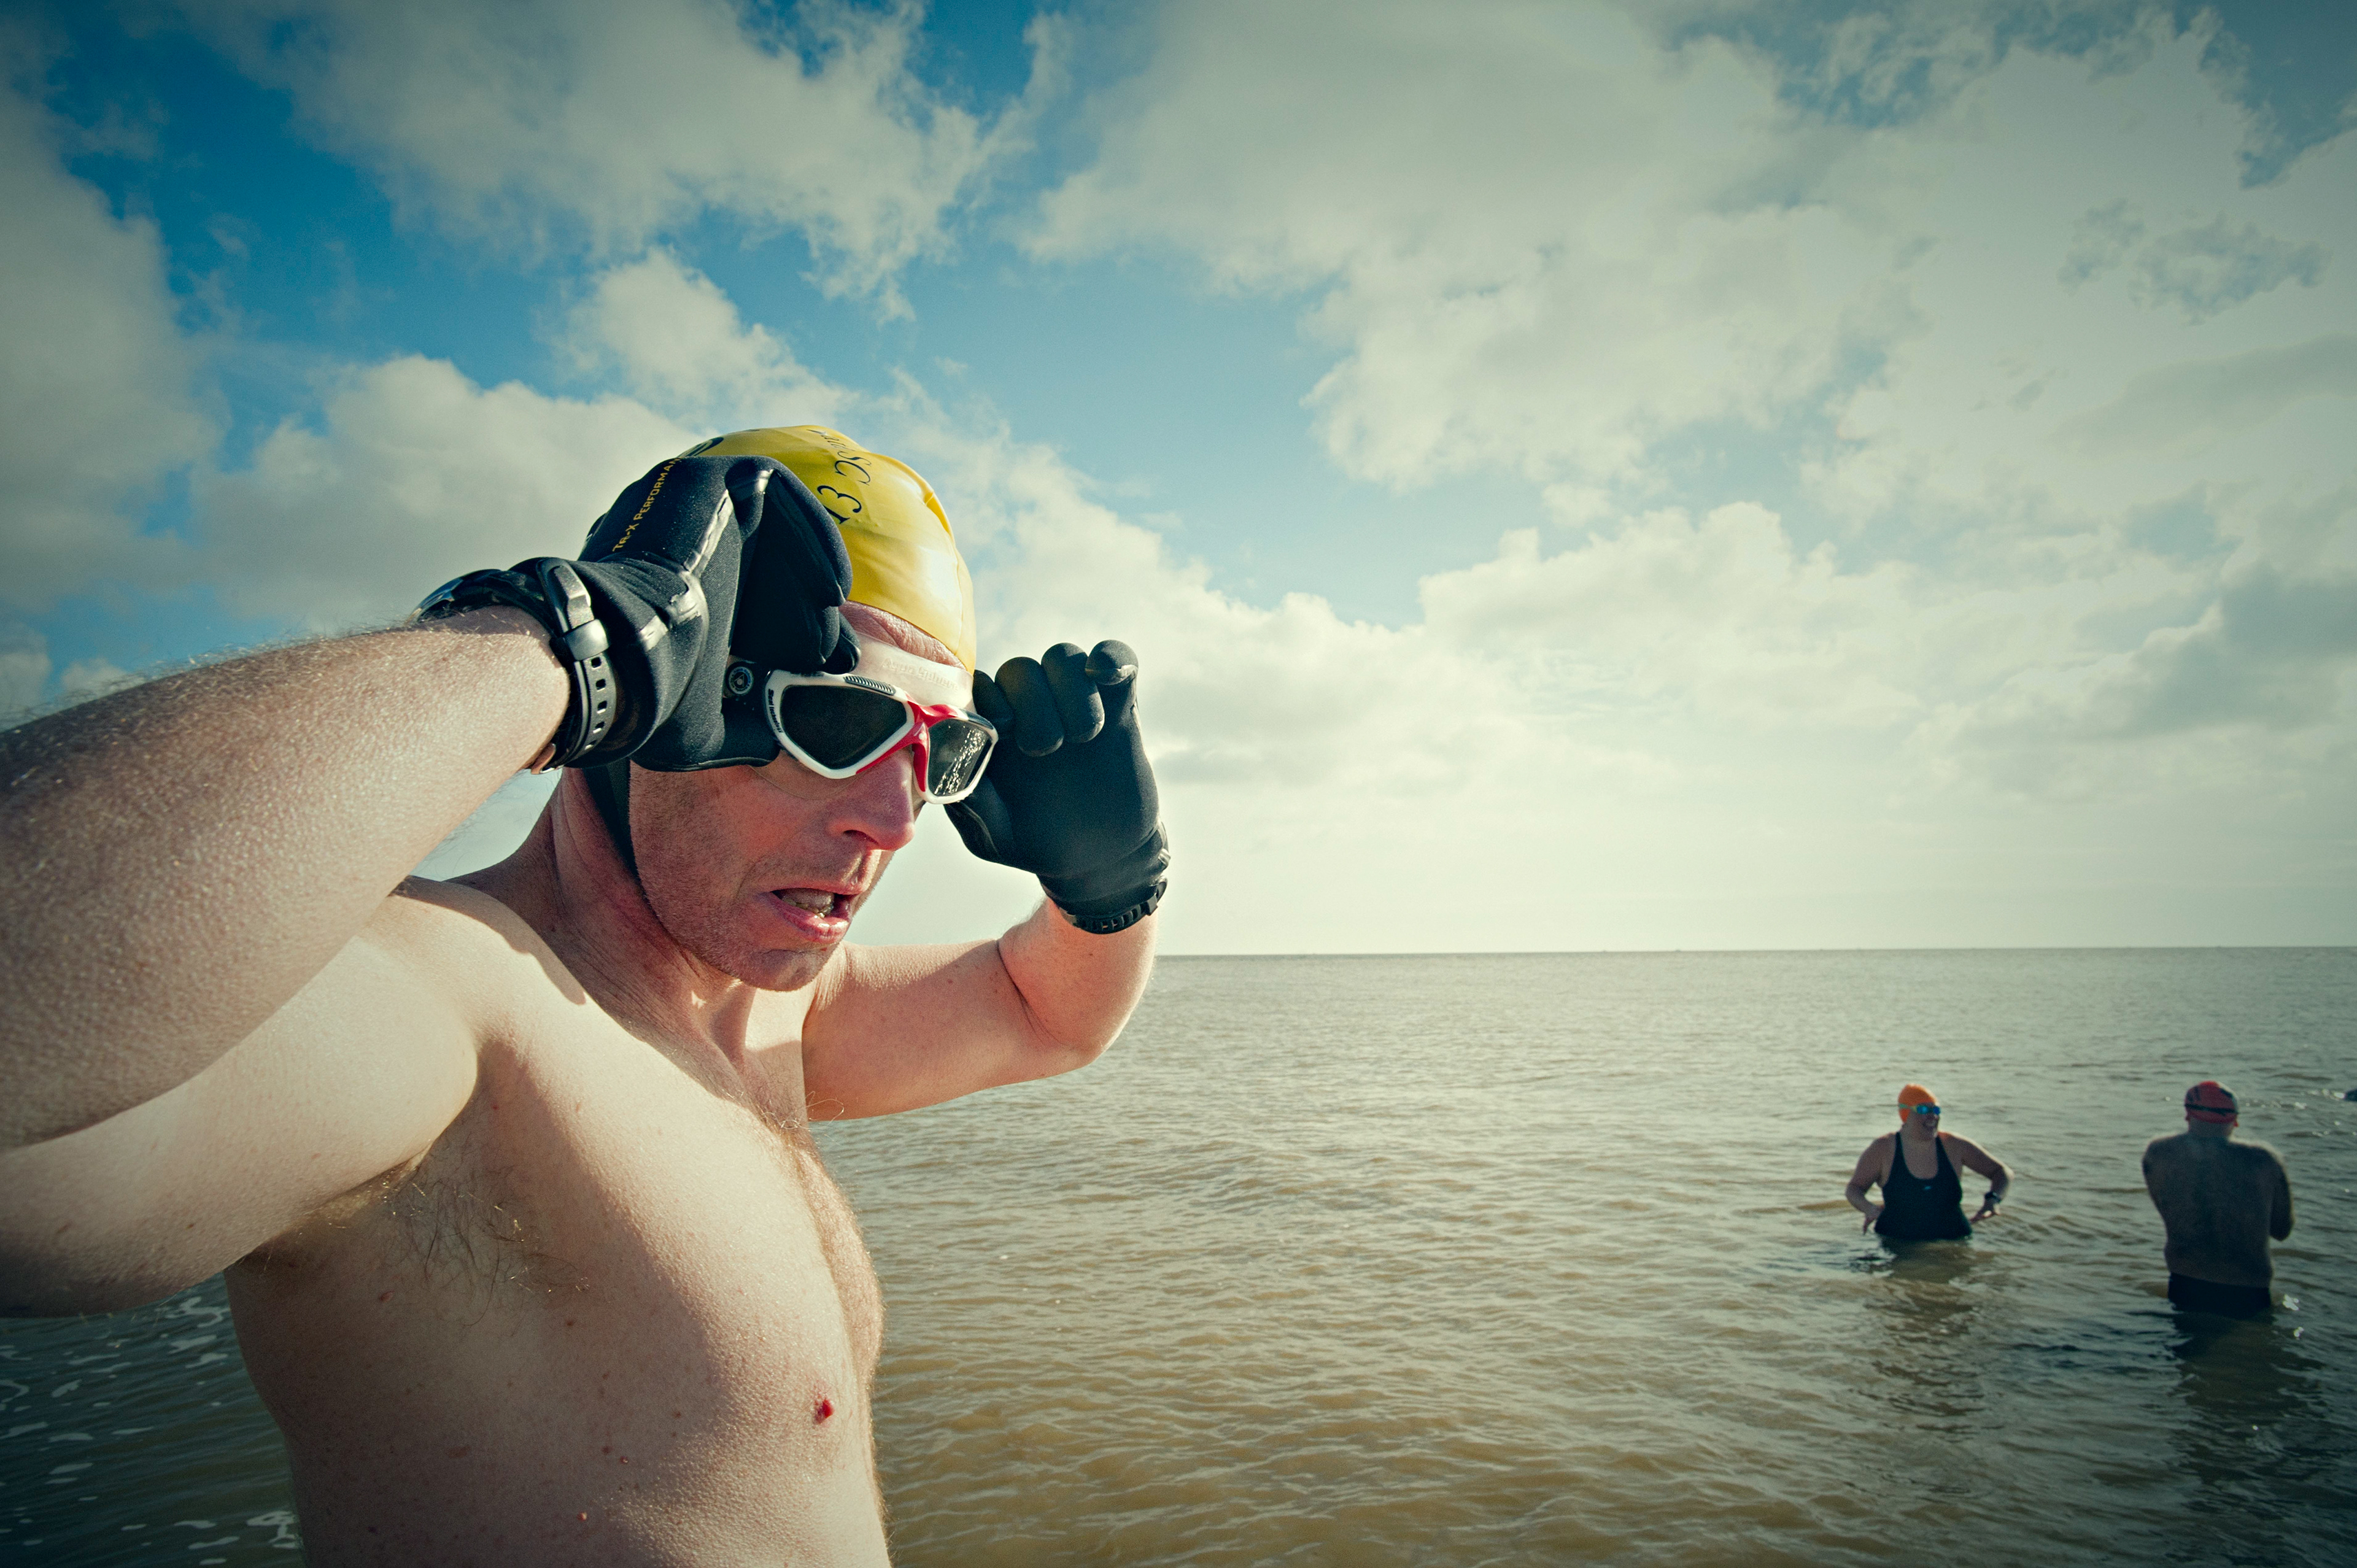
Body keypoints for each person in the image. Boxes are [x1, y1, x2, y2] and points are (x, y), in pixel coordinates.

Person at [0, 425, 1170, 1564]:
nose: (896, 821)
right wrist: (551, 649)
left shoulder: (766, 1016)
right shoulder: (451, 1005)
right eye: (836, 721)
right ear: (654, 708)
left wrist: (1113, 887)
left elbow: (1048, 1015)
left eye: (935, 751)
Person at [2142, 1080, 2294, 1317]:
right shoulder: (2264, 1160)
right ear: (2235, 1120)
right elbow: (2281, 1231)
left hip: (2185, 1280)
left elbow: (2167, 1209)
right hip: (2248, 1287)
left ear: (2188, 1115)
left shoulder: (2158, 1153)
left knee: (2189, 1337)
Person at [1844, 1083, 2010, 1240]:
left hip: (1954, 1242)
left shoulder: (1954, 1146)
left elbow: (2002, 1172)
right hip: (1899, 1245)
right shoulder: (1883, 1149)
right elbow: (1854, 1188)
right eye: (1923, 1110)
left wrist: (1993, 1200)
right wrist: (1870, 1209)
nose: (1933, 1116)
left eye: (1936, 1110)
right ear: (1905, 1114)